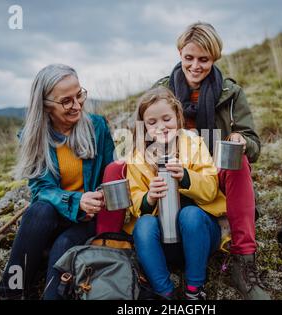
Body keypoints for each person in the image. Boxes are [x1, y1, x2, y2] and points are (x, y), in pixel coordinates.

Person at [153, 22, 270, 300]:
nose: (195, 66)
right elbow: (144, 134)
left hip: (213, 170)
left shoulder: (230, 93)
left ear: (214, 58)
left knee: (239, 163)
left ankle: (244, 262)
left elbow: (254, 144)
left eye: (203, 59)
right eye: (189, 58)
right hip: (175, 169)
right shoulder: (163, 91)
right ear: (180, 53)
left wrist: (242, 140)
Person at [0, 64, 118, 300]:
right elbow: (41, 189)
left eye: (79, 95)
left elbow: (110, 174)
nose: (77, 105)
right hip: (53, 215)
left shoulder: (97, 127)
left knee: (63, 245)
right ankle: (11, 292)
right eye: (66, 101)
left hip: (87, 219)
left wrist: (100, 196)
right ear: (46, 106)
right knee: (38, 210)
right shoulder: (33, 137)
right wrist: (76, 199)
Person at [100, 86, 226, 300]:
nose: (161, 127)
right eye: (152, 122)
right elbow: (136, 204)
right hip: (162, 244)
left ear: (178, 117)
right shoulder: (137, 157)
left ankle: (194, 289)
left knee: (191, 215)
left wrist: (186, 176)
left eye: (167, 119)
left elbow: (210, 189)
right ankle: (164, 291)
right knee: (144, 225)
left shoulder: (194, 144)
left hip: (200, 237)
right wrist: (149, 197)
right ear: (144, 127)